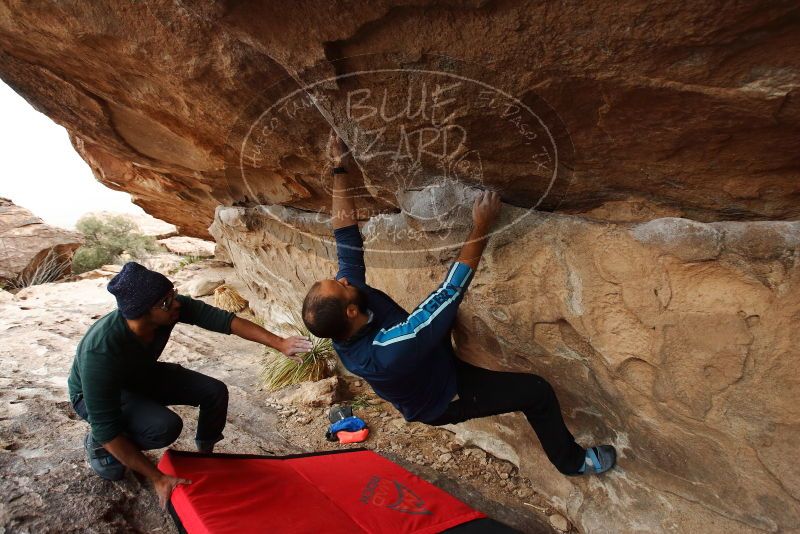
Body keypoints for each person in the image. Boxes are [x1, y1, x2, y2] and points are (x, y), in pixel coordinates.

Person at [302, 132, 615, 477]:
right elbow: (448, 293)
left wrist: (338, 167)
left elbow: (344, 232)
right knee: (535, 392)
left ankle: (441, 346)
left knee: (436, 325)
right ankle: (572, 463)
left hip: (429, 360)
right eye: (341, 285)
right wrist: (481, 226)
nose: (345, 279)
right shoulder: (384, 354)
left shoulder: (349, 309)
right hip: (443, 396)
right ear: (350, 312)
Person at [68, 262, 312, 507]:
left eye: (172, 293)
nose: (176, 303)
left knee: (214, 391)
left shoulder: (167, 309)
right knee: (164, 427)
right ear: (143, 311)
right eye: (167, 301)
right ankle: (98, 444)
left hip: (138, 376)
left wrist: (279, 343)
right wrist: (158, 478)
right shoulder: (101, 351)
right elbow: (106, 425)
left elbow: (224, 321)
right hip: (95, 396)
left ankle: (205, 457)